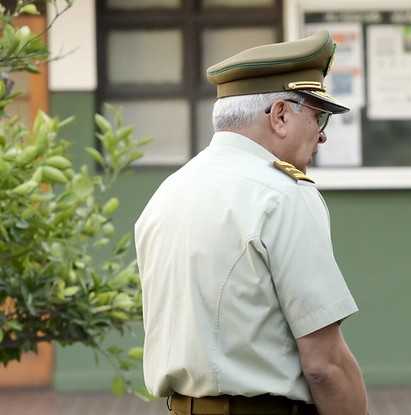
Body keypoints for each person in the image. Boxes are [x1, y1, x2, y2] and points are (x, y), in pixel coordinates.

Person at [134, 32, 367, 415]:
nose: (322, 134)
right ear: (279, 115)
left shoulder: (167, 193)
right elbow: (325, 365)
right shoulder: (284, 195)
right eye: (317, 114)